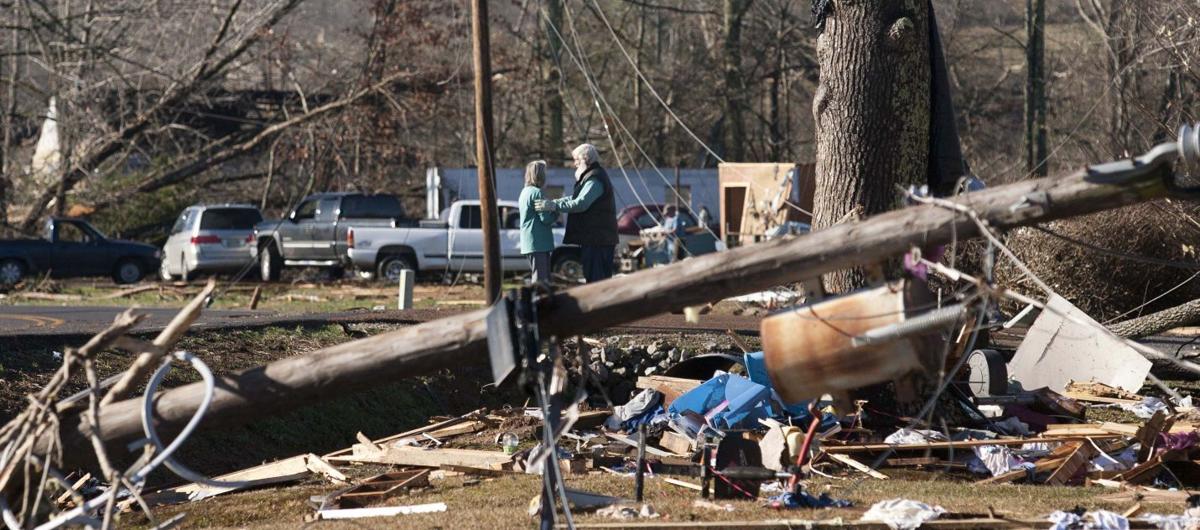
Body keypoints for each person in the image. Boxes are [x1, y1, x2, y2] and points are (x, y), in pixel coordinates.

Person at [535, 143, 617, 283]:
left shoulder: (594, 178)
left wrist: (553, 206)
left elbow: (581, 203)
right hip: (595, 239)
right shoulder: (591, 176)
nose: (575, 164)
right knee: (593, 277)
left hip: (598, 240)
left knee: (597, 281)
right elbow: (575, 199)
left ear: (586, 159)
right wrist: (554, 203)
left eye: (577, 161)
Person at [519, 160, 556, 284]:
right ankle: (539, 302)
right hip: (538, 242)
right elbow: (545, 219)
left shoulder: (524, 192)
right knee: (541, 280)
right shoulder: (537, 193)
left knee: (540, 276)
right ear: (540, 175)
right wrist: (556, 212)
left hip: (530, 241)